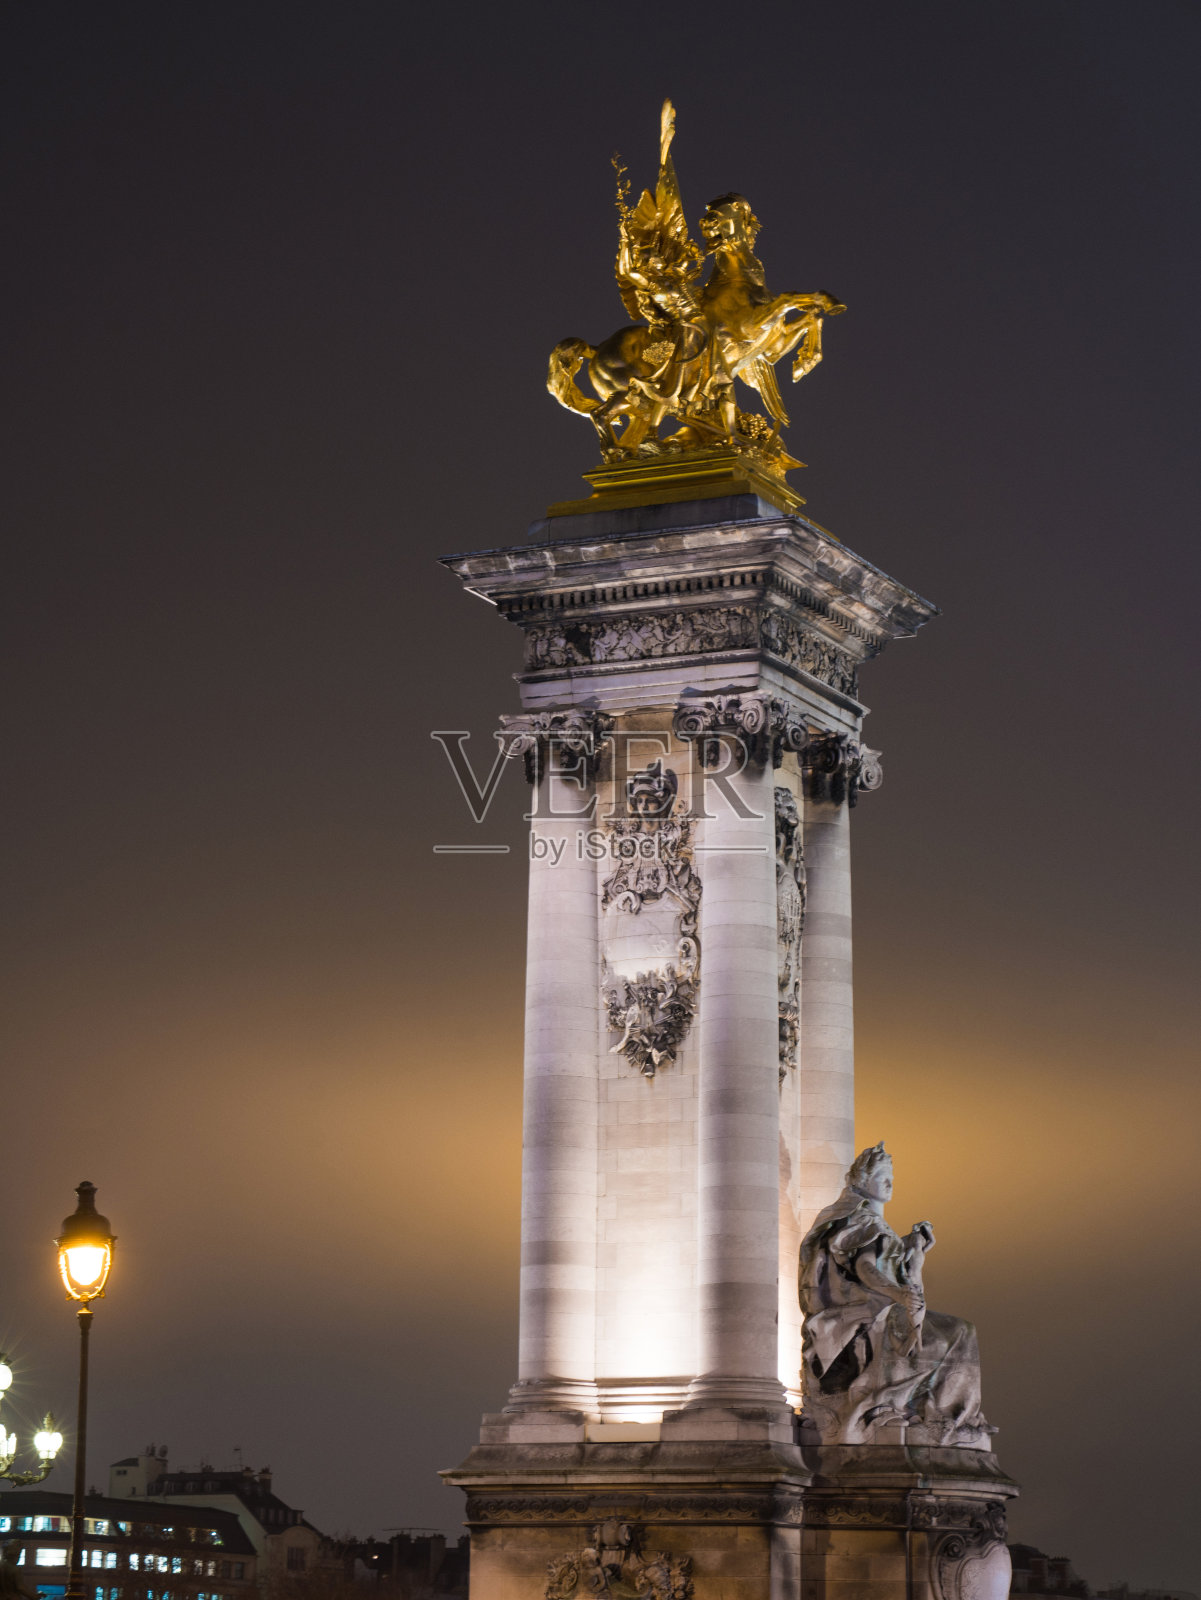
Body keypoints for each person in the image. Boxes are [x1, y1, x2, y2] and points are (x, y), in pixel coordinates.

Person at [798, 1142, 994, 1447]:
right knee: (958, 1331)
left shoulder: (874, 1225)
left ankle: (949, 1418)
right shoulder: (863, 1222)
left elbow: (889, 1269)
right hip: (866, 1315)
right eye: (883, 1176)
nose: (890, 1184)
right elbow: (865, 1269)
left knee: (961, 1331)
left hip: (884, 1310)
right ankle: (941, 1417)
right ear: (862, 1181)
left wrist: (913, 1253)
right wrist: (900, 1294)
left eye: (891, 1177)